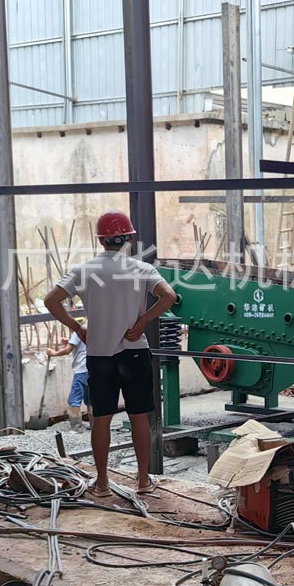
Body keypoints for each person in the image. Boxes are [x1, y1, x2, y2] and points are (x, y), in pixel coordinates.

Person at [43, 211, 177, 499]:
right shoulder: (142, 269)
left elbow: (51, 300)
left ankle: (102, 483)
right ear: (129, 238)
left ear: (101, 240)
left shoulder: (83, 270)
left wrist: (77, 327)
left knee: (101, 418)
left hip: (99, 354)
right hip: (134, 353)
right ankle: (143, 480)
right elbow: (169, 296)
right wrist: (142, 322)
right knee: (139, 418)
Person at [47, 320, 91, 430]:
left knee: (74, 400)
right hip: (91, 369)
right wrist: (70, 341)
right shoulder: (89, 330)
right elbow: (82, 344)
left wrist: (53, 353)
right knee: (91, 399)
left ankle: (77, 428)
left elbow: (67, 351)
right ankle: (95, 425)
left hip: (81, 371)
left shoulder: (77, 332)